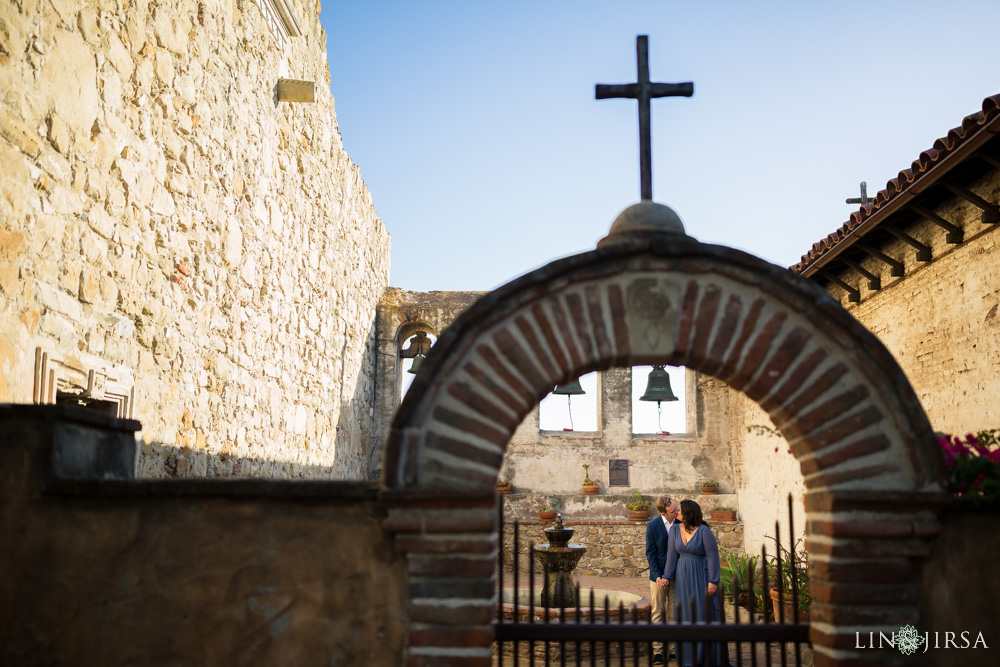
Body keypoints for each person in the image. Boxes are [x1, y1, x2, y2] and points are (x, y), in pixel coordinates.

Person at [664, 499, 731, 667]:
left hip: (701, 576)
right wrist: (666, 576)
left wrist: (713, 580)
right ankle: (688, 658)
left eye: (680, 510)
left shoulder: (704, 531)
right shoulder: (674, 530)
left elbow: (712, 557)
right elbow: (671, 556)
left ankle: (707, 658)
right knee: (685, 615)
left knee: (703, 614)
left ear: (688, 514)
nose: (677, 511)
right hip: (682, 579)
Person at [645, 495, 679, 665]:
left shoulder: (681, 524)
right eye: (674, 511)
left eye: (677, 509)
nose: (677, 512)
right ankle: (658, 652)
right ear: (664, 513)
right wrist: (658, 576)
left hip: (676, 577)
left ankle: (674, 650)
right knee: (658, 612)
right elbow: (650, 553)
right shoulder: (652, 526)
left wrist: (671, 575)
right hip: (657, 578)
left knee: (674, 613)